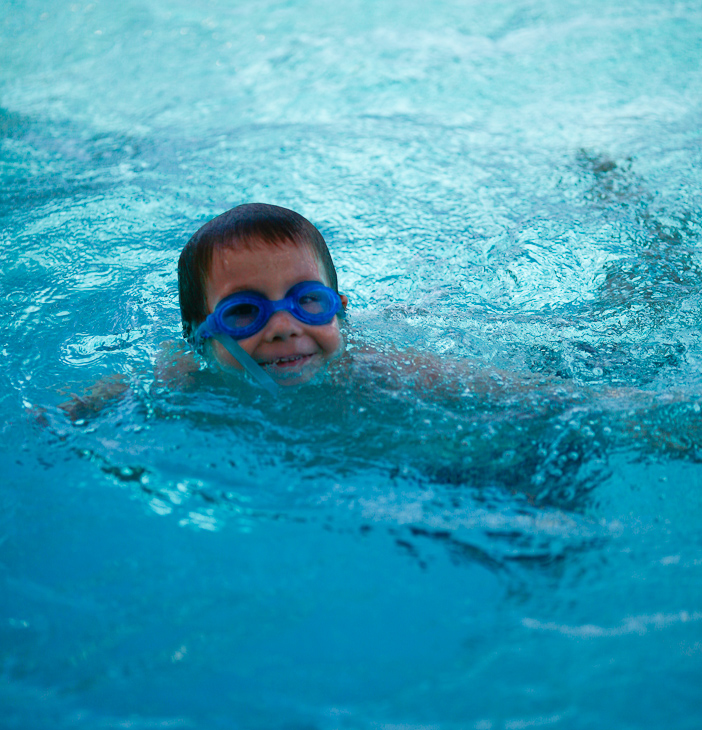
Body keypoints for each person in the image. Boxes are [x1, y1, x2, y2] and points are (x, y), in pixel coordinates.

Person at [177, 202, 349, 392]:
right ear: (198, 340)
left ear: (340, 309)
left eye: (307, 299)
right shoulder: (185, 391)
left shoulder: (373, 370)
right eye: (243, 309)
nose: (283, 328)